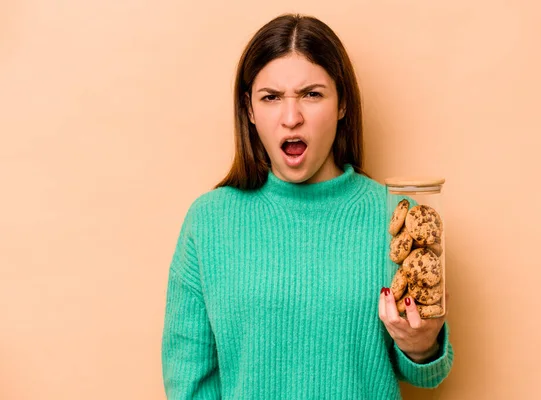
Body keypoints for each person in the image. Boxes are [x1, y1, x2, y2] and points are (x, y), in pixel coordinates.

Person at [161, 13, 453, 399]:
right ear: (249, 110)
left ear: (342, 103)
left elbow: (425, 373)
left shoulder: (397, 218)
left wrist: (422, 345)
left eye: (312, 94)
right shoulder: (210, 221)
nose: (291, 118)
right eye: (271, 98)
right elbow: (188, 381)